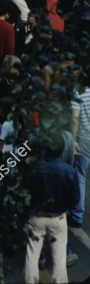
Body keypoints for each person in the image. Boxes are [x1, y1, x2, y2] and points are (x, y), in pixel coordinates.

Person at [24, 137, 79, 284]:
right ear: (62, 150)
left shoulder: (33, 168)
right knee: (59, 257)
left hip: (36, 216)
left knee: (32, 254)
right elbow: (74, 199)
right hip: (58, 218)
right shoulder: (69, 171)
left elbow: (26, 193)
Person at [70, 75, 90, 229]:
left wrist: (73, 140)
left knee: (81, 175)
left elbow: (74, 118)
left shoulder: (78, 93)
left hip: (84, 139)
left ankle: (77, 215)